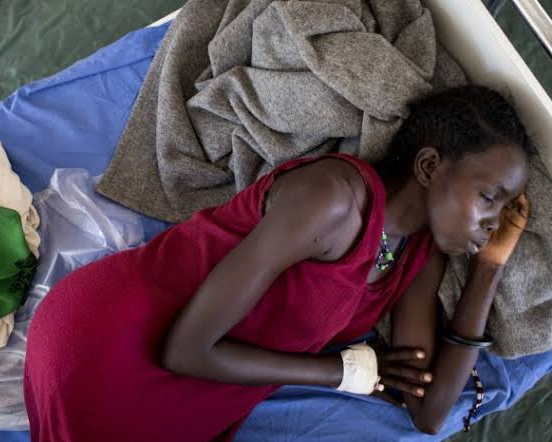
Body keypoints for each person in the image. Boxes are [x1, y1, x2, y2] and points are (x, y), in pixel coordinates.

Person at [24, 85, 532, 441]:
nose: (494, 221)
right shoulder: (333, 198)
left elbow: (429, 413)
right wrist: (342, 372)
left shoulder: (418, 258)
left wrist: (489, 268)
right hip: (108, 345)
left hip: (197, 377)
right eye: (490, 197)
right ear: (429, 166)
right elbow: (186, 348)